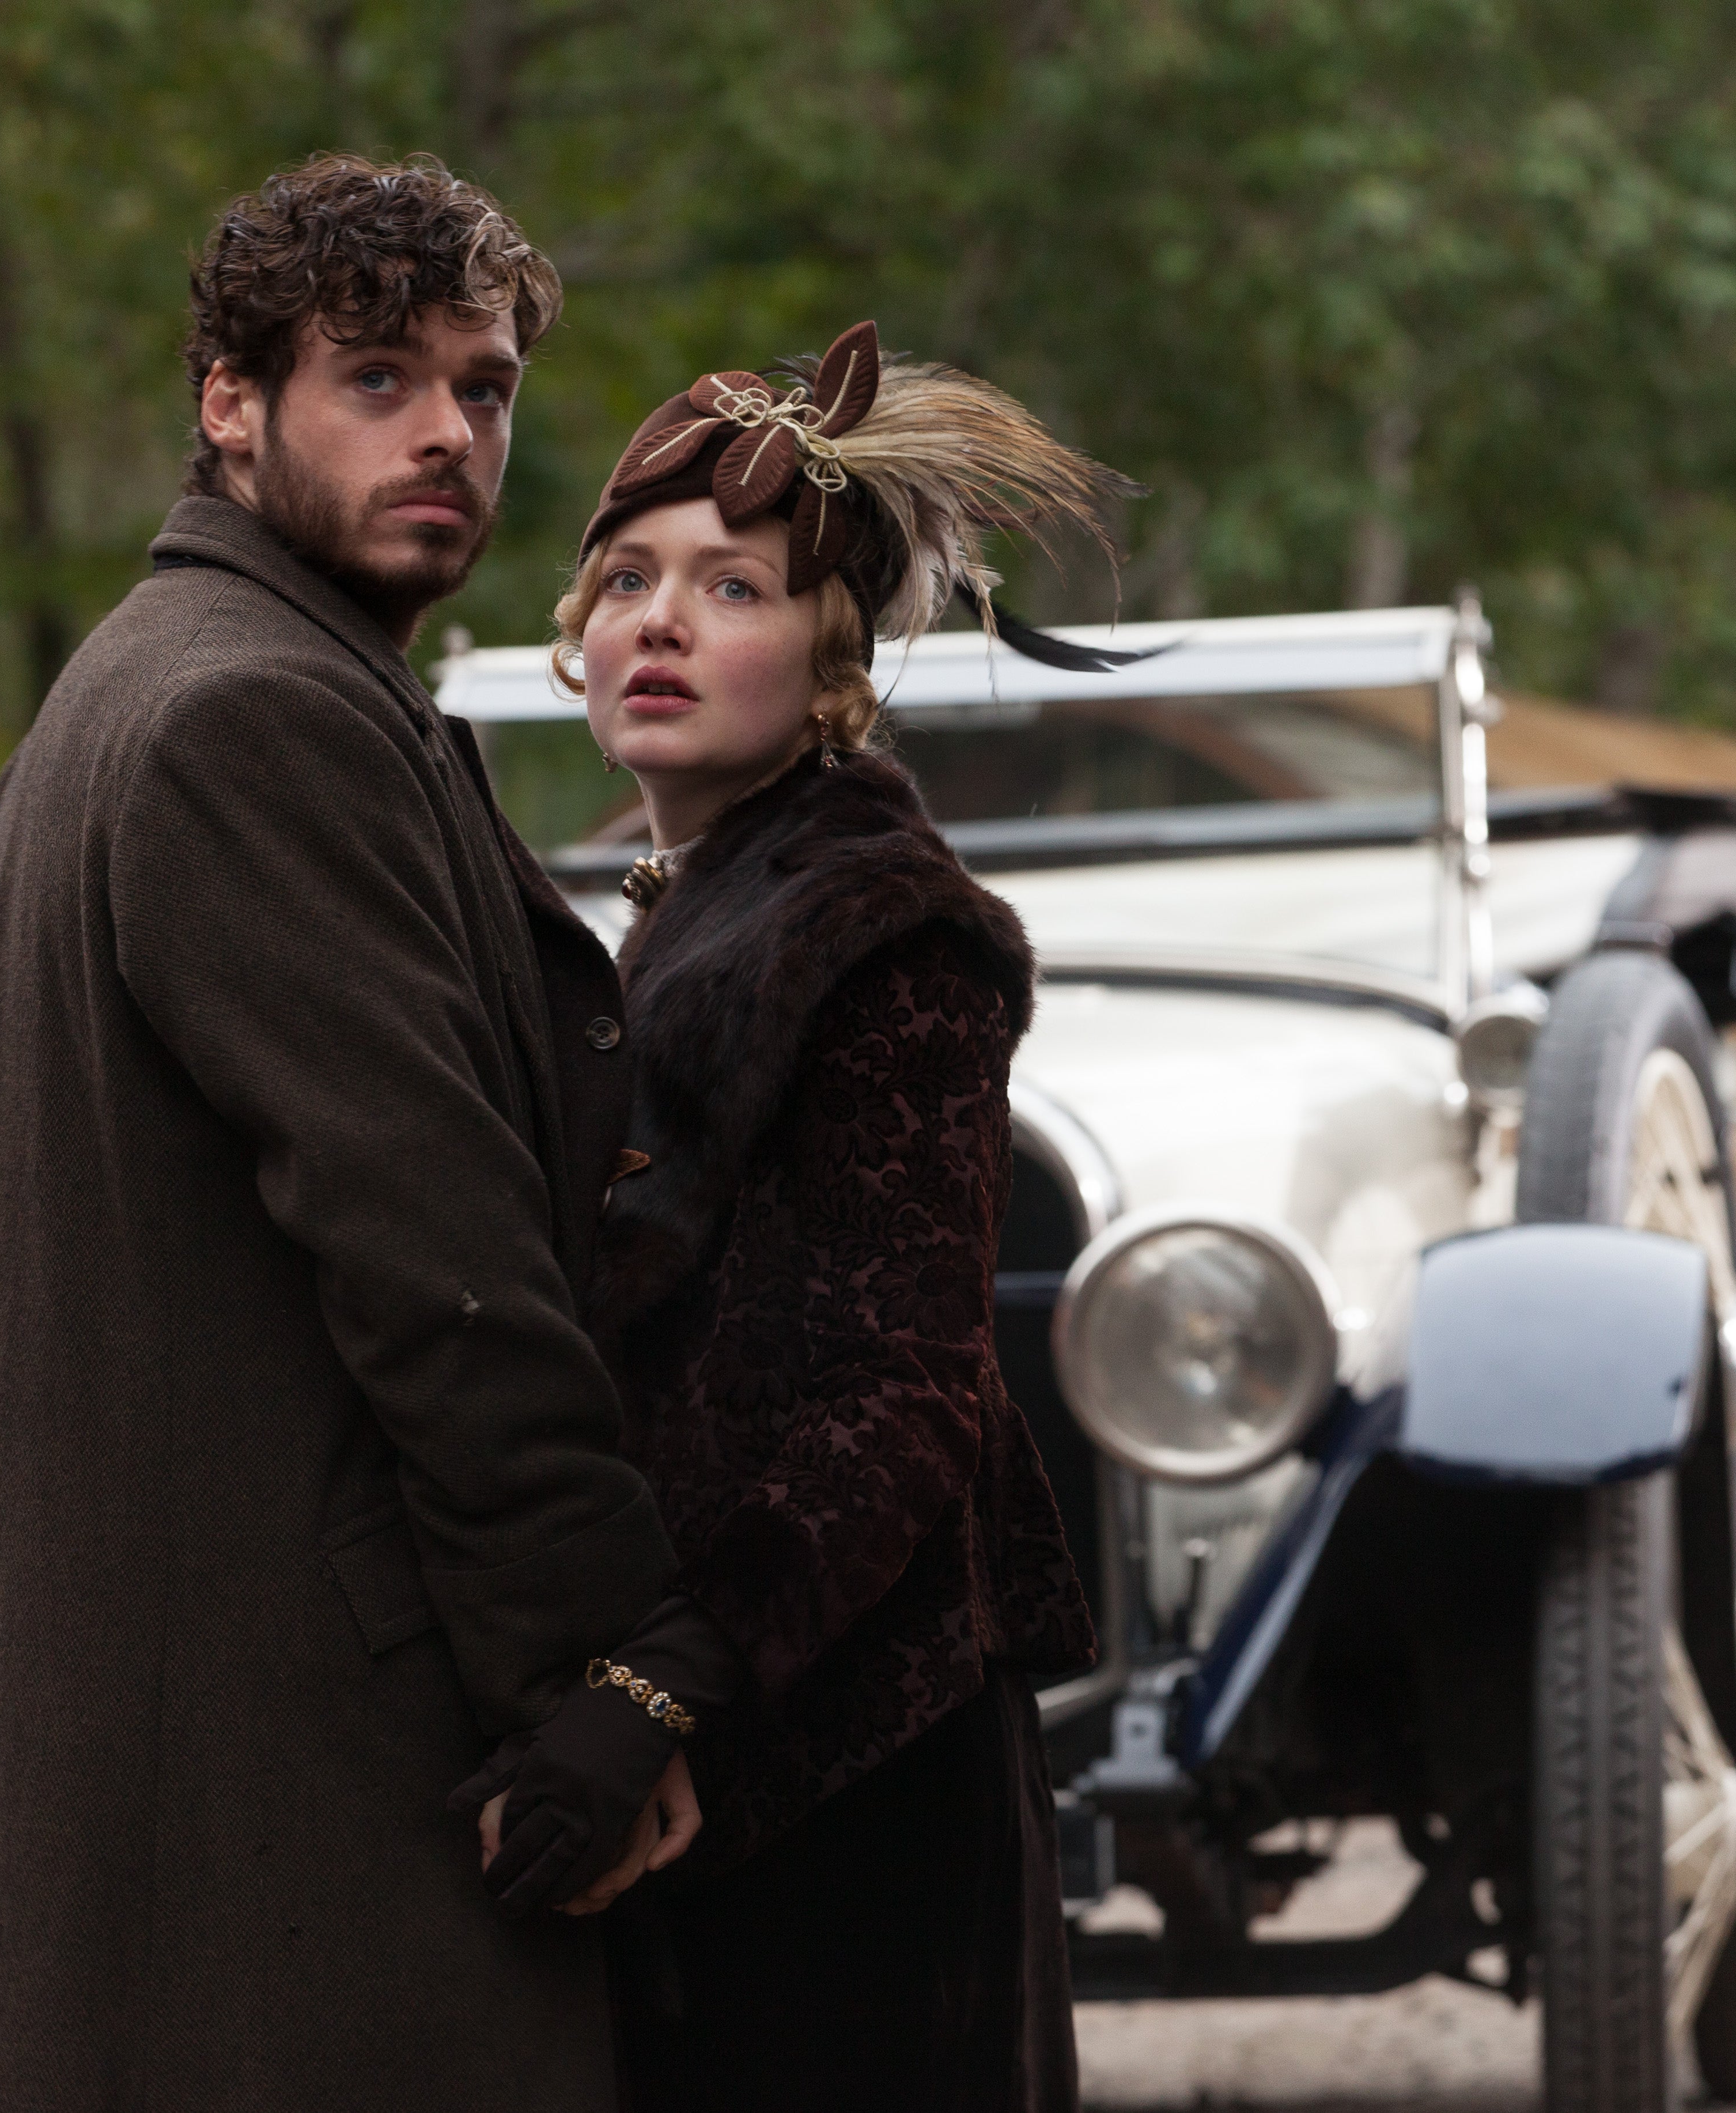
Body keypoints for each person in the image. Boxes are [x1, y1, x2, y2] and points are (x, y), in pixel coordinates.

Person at [0, 154, 739, 2113]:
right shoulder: (245, 717)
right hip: (252, 1744)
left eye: (481, 387)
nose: (447, 434)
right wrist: (607, 1669)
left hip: (189, 1718)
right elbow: (431, 1249)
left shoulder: (207, 678)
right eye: (376, 378)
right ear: (231, 399)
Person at [560, 321, 1124, 2112]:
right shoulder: (696, 899)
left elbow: (902, 1386)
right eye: (627, 578)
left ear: (828, 670)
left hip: (853, 1769)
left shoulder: (886, 932)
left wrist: (660, 1687)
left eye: (730, 587)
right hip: (735, 1738)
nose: (659, 620)